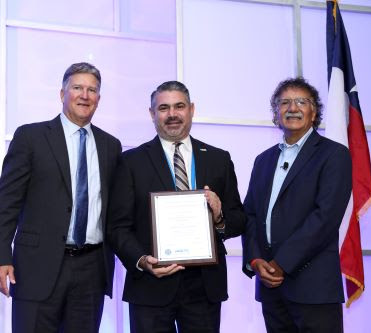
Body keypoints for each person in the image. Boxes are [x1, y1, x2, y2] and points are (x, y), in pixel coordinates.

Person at [0, 62, 122, 332]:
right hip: (38, 267)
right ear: (62, 94)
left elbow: (116, 209)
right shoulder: (31, 137)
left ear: (98, 99)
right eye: (77, 88)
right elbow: (6, 202)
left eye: (92, 90)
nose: (85, 95)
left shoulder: (111, 146)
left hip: (91, 270)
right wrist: (0, 257)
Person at [107, 80, 245, 332]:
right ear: (152, 114)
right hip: (150, 284)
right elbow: (117, 227)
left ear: (191, 109)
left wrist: (220, 216)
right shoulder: (130, 161)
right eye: (163, 108)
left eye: (179, 106)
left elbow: (239, 219)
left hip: (204, 287)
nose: (172, 114)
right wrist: (141, 260)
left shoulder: (218, 159)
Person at [242, 77, 352, 333]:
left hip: (313, 288)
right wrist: (257, 259)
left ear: (314, 112)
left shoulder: (334, 155)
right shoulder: (263, 160)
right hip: (270, 287)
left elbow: (325, 218)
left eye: (302, 101)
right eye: (285, 102)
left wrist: (281, 263)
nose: (293, 108)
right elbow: (250, 215)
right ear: (275, 113)